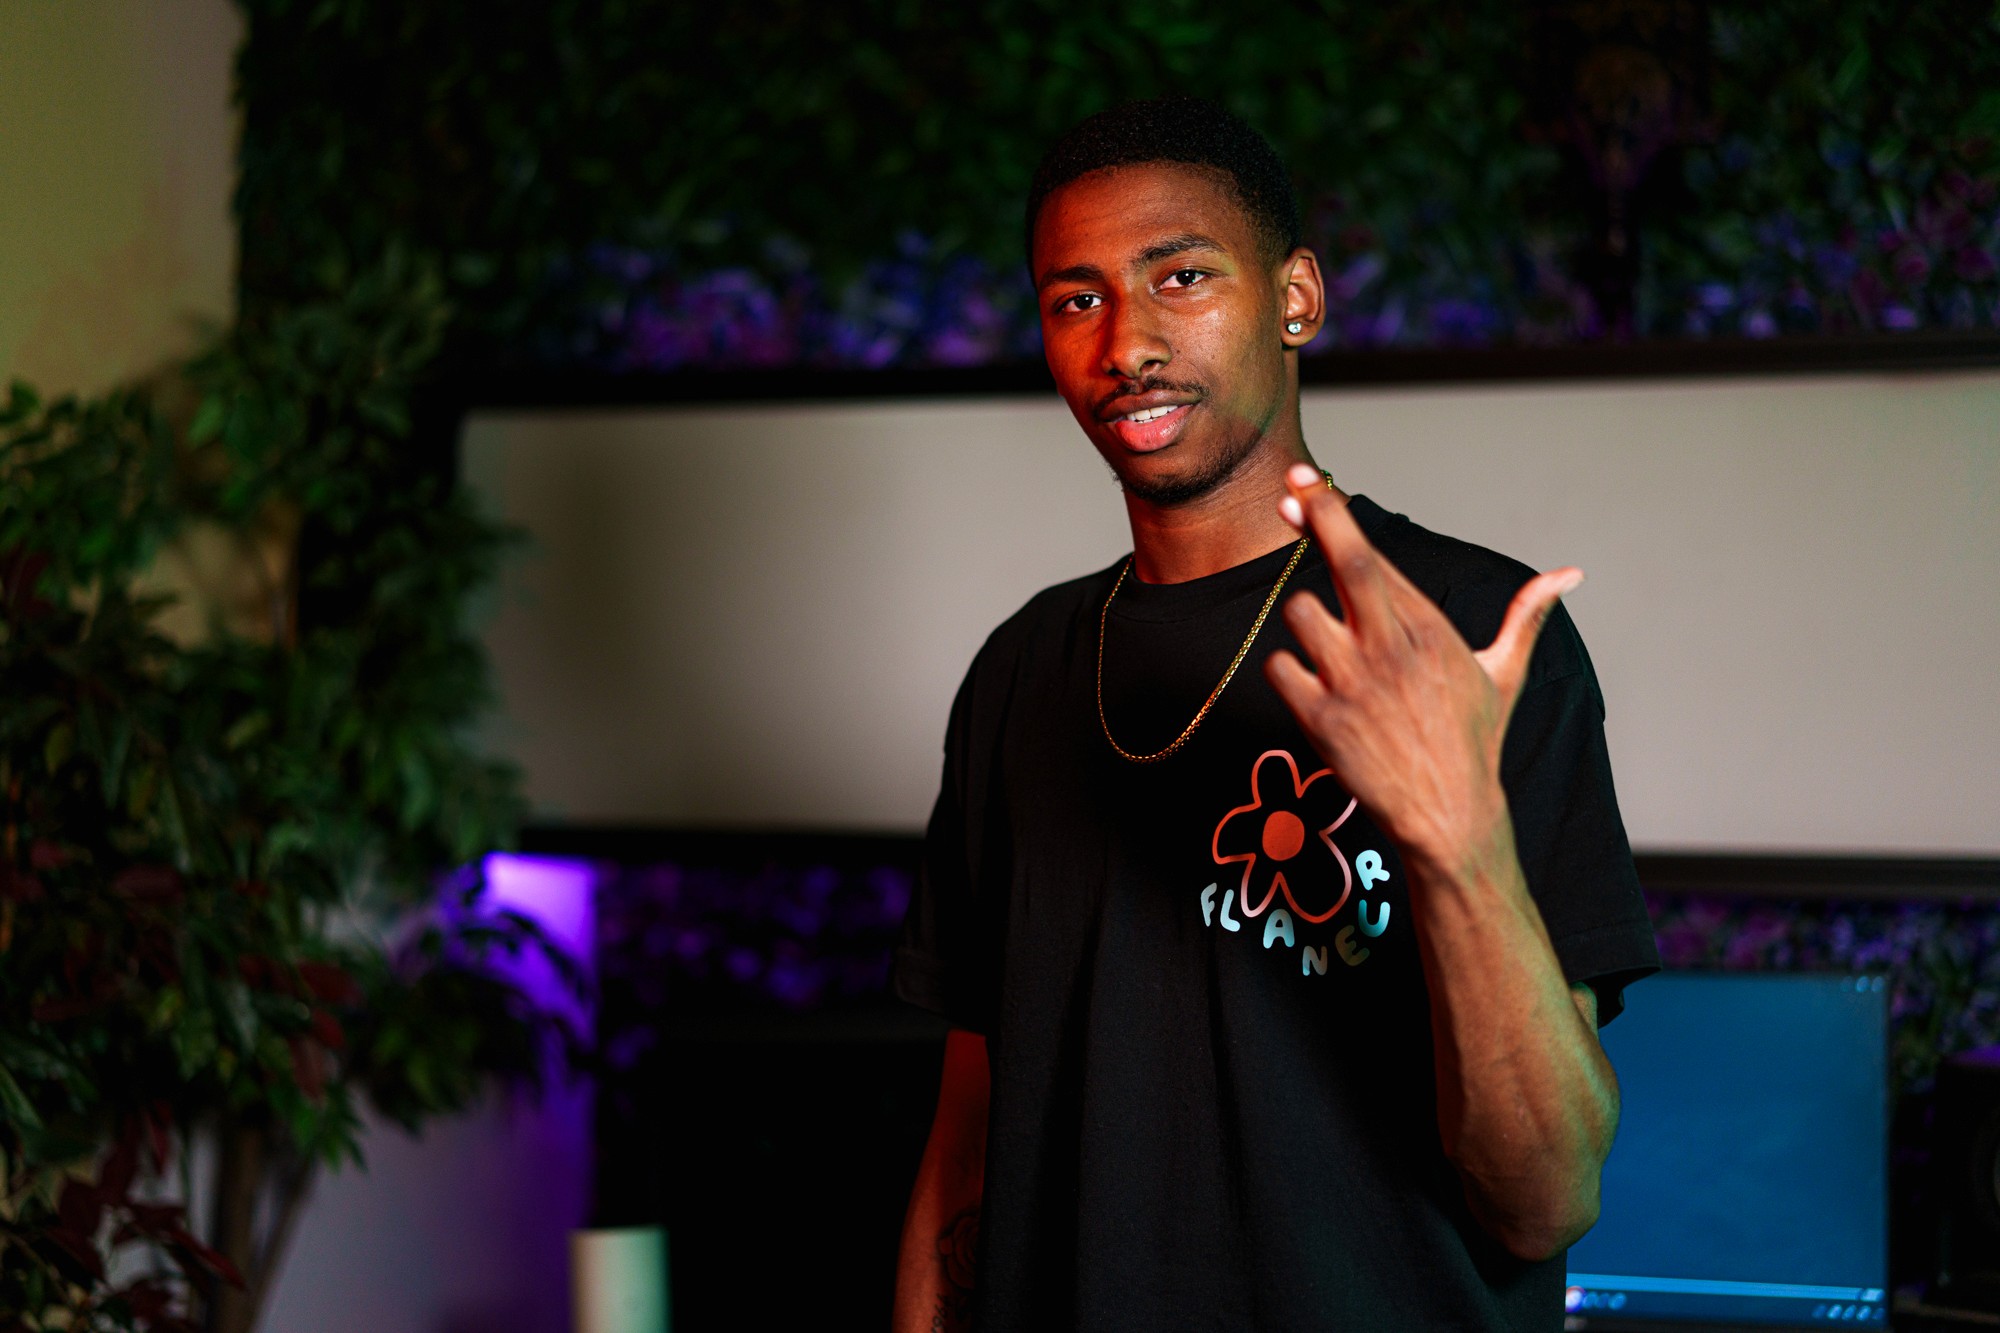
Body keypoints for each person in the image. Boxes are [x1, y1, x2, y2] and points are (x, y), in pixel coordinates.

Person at [890, 96, 1659, 1332]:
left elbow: (1542, 1199)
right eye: (1073, 298)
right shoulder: (1020, 670)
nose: (1124, 343)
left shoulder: (1465, 632)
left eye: (1179, 276)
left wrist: (1455, 840)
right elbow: (969, 1139)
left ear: (1294, 297)